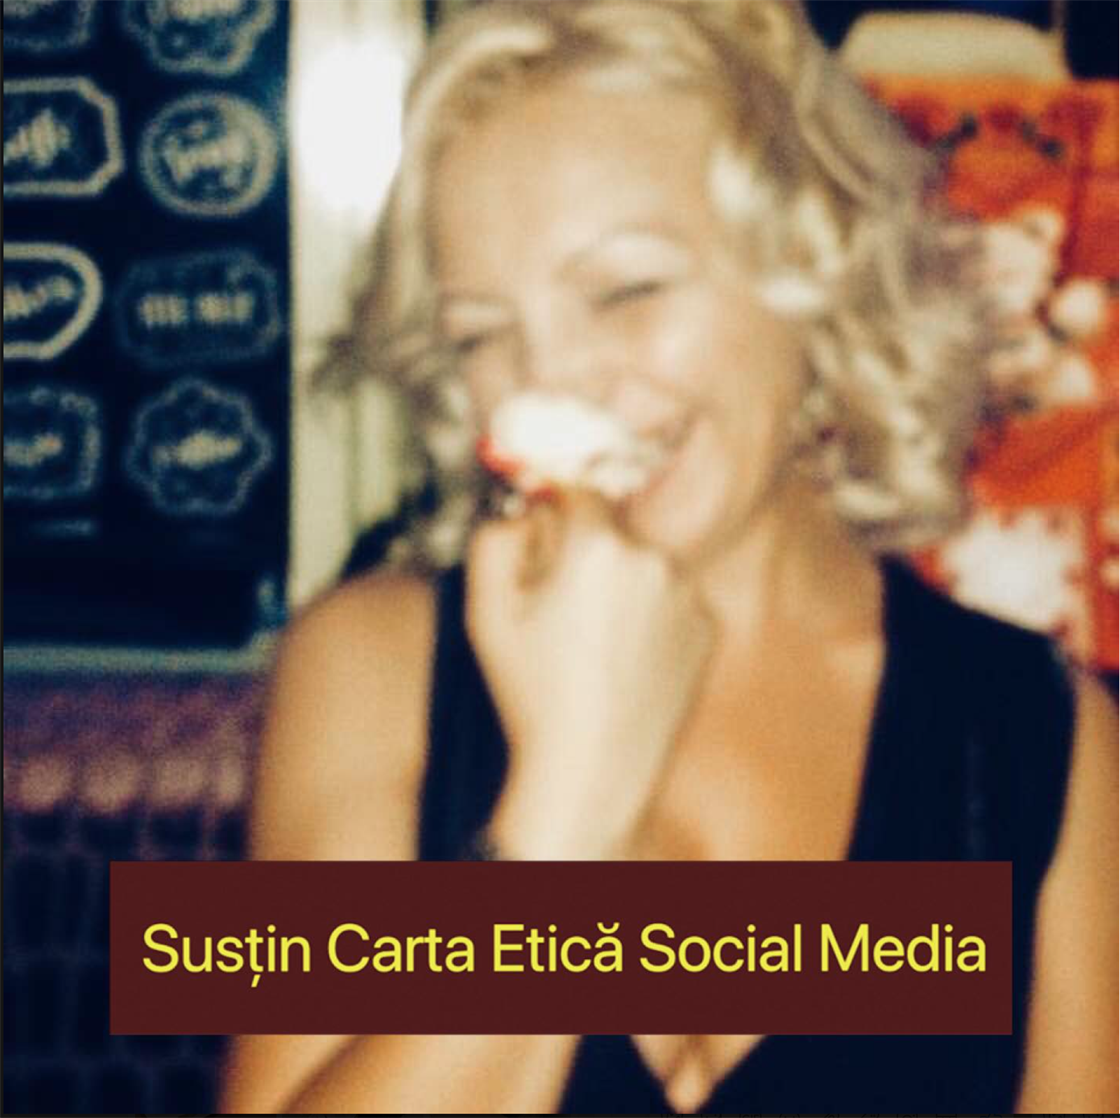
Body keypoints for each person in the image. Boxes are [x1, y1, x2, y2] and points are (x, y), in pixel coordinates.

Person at [220, 0, 1117, 1111]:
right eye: (480, 333)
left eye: (627, 289)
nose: (548, 381)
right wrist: (564, 811)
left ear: (819, 275)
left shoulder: (1037, 736)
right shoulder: (373, 666)